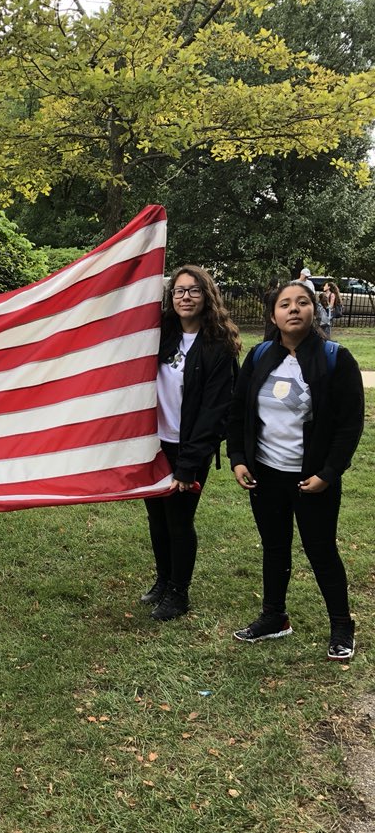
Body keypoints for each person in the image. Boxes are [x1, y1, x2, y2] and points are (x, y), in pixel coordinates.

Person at [227, 280, 364, 660]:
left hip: (312, 479)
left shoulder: (337, 359)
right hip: (266, 474)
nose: (293, 309)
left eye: (302, 302)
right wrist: (238, 457)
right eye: (285, 304)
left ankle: (341, 625)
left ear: (314, 311)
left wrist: (329, 472)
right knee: (274, 548)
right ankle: (274, 617)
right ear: (273, 315)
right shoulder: (259, 357)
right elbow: (238, 412)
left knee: (321, 551)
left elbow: (349, 424)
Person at [141, 265, 241, 620]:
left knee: (180, 521)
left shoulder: (218, 347)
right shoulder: (161, 336)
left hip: (189, 449)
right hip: (154, 445)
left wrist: (189, 463)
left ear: (207, 296)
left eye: (194, 290)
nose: (185, 297)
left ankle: (179, 594)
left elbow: (215, 412)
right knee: (156, 517)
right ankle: (164, 580)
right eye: (179, 291)